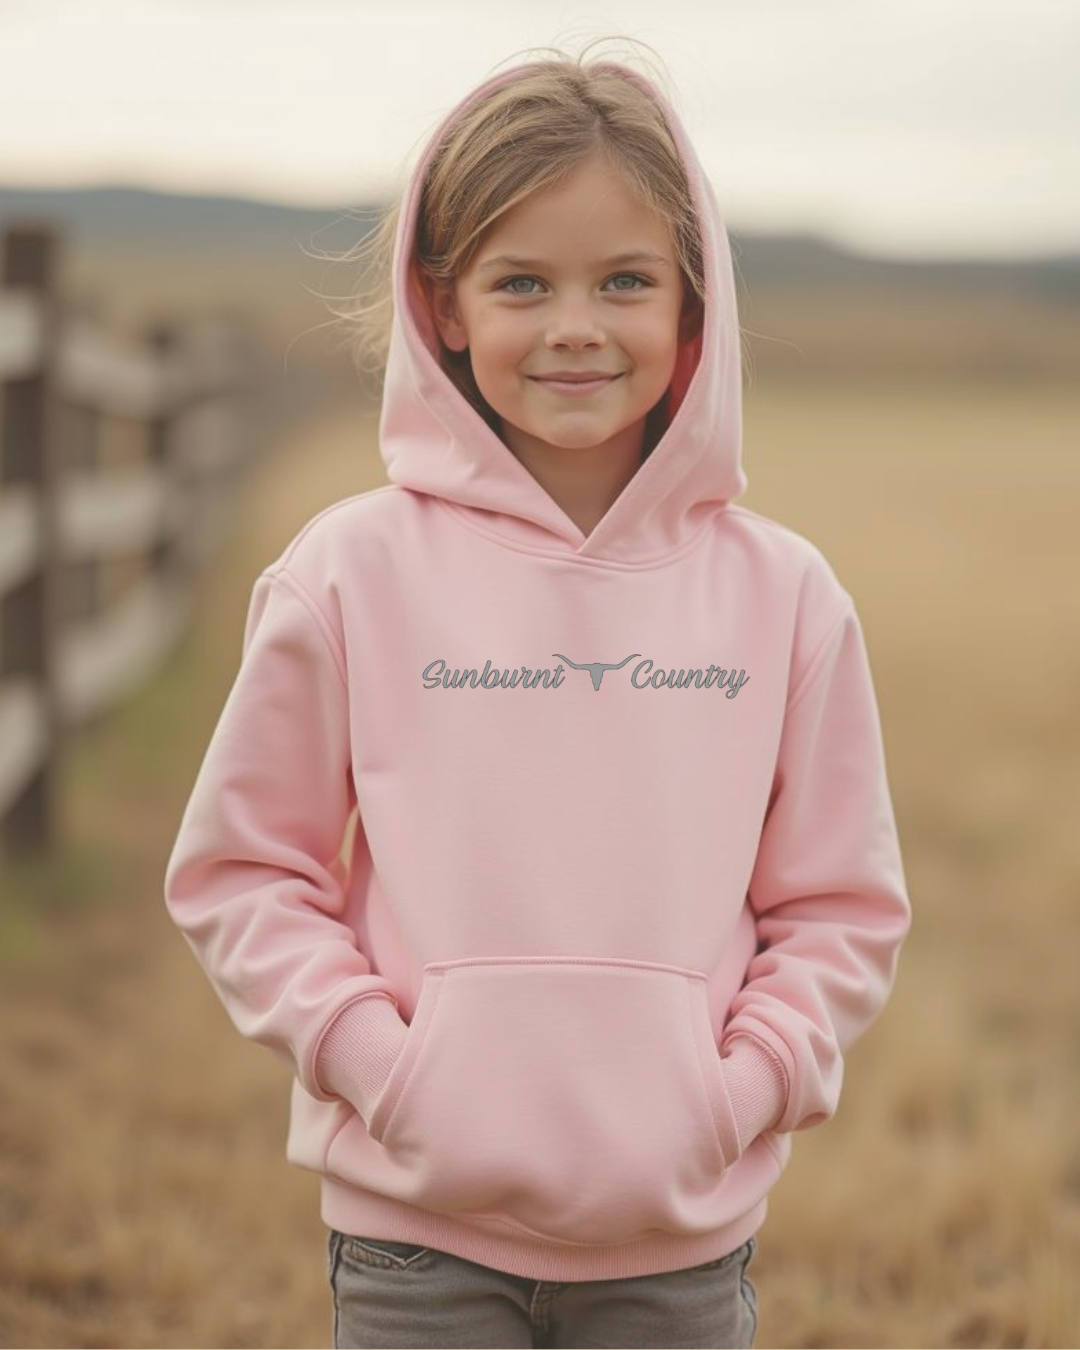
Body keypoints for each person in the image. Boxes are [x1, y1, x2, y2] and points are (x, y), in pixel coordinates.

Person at [163, 41, 913, 1350]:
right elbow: (242, 871)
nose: (577, 324)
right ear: (445, 307)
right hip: (415, 1239)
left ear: (694, 307)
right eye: (525, 282)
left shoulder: (786, 597)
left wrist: (741, 1088)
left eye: (624, 279)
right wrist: (374, 1061)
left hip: (678, 1242)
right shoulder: (348, 575)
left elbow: (840, 905)